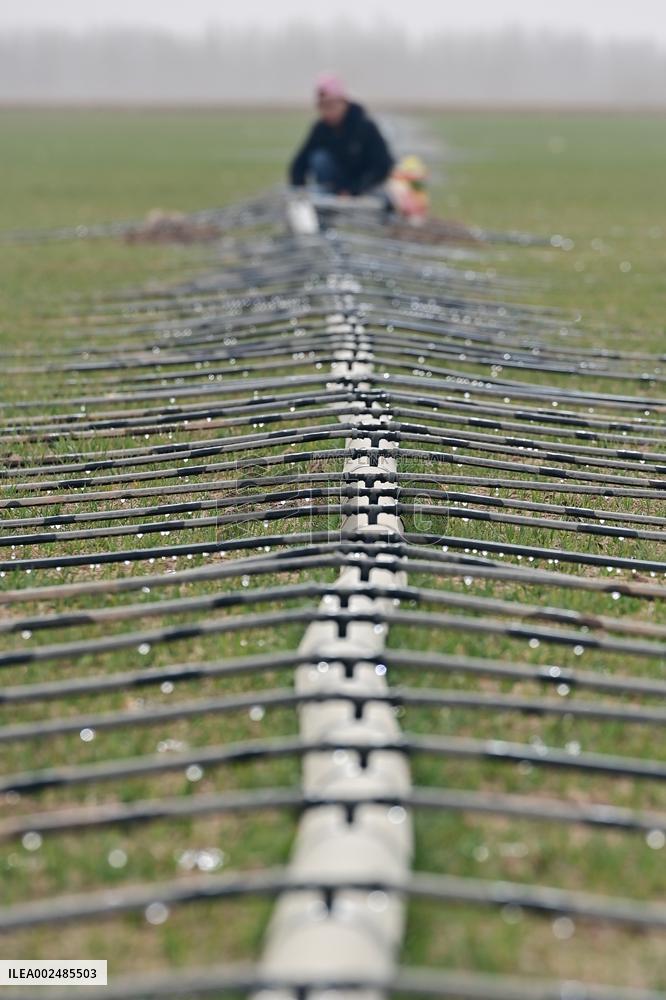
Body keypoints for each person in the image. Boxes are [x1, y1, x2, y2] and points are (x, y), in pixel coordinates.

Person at [289, 73, 394, 197]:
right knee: (319, 158)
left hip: (364, 186)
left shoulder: (365, 126)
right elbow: (300, 162)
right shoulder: (321, 129)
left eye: (331, 105)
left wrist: (354, 189)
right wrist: (299, 189)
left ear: (343, 102)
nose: (327, 111)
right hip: (335, 186)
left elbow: (383, 165)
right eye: (322, 106)